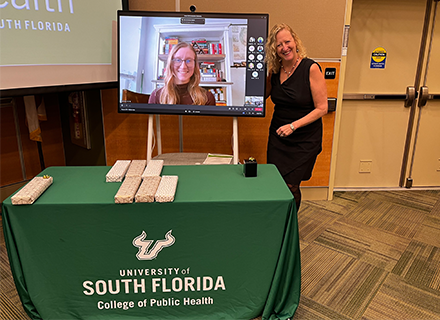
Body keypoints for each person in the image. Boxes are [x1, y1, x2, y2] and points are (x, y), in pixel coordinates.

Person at [265, 23, 328, 211]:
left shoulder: (310, 68)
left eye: (287, 41)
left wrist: (293, 126)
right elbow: (263, 96)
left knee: (291, 185)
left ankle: (290, 225)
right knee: (277, 182)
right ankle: (279, 221)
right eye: (279, 45)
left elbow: (322, 108)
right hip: (279, 137)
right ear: (274, 50)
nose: (285, 47)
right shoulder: (275, 72)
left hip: (304, 138)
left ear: (295, 42)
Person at [149, 42, 216, 106]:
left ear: (195, 65)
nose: (183, 66)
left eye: (189, 60)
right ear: (170, 64)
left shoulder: (207, 98)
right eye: (178, 60)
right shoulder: (156, 96)